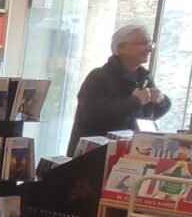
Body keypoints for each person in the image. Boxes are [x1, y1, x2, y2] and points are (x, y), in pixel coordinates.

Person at [67, 23, 172, 153]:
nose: (149, 49)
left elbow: (149, 116)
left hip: (133, 153)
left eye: (150, 44)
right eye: (143, 43)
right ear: (122, 47)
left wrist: (161, 101)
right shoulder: (99, 77)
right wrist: (135, 101)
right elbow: (93, 117)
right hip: (95, 156)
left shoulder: (144, 77)